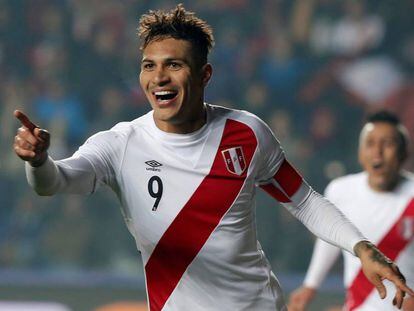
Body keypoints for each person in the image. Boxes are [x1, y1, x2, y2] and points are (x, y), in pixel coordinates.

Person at [13, 5, 413, 311]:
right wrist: (38, 162)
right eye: (149, 66)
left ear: (204, 75)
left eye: (174, 65)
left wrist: (363, 249)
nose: (159, 78)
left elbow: (304, 201)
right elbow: (55, 183)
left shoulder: (247, 133)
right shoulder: (121, 143)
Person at [288, 111, 414, 311]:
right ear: (360, 153)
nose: (378, 152)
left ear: (404, 153)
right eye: (370, 144)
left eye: (388, 144)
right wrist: (310, 285)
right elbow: (329, 236)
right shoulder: (341, 190)